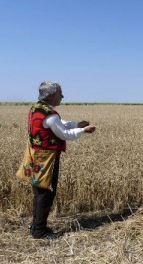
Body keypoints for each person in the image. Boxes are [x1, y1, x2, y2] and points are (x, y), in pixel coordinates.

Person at [27, 81, 96, 239]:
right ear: (51, 95)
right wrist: (83, 130)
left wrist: (76, 124)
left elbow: (60, 124)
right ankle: (39, 231)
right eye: (60, 93)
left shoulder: (37, 108)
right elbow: (65, 134)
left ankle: (36, 225)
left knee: (39, 192)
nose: (62, 96)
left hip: (35, 156)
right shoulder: (50, 115)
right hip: (47, 159)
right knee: (46, 193)